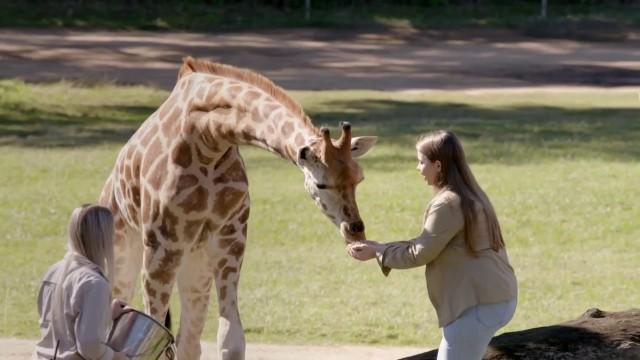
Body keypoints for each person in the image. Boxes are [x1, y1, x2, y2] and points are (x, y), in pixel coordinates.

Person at [348, 130, 518, 360]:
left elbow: (420, 254)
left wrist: (378, 253)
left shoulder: (447, 203)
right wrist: (379, 248)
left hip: (477, 306)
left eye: (421, 162)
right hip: (495, 297)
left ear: (438, 165)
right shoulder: (470, 193)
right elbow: (429, 243)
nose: (418, 168)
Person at [34, 204, 129, 360]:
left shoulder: (53, 271)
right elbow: (89, 346)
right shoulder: (95, 283)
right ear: (103, 239)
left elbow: (61, 324)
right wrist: (115, 356)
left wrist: (104, 313)